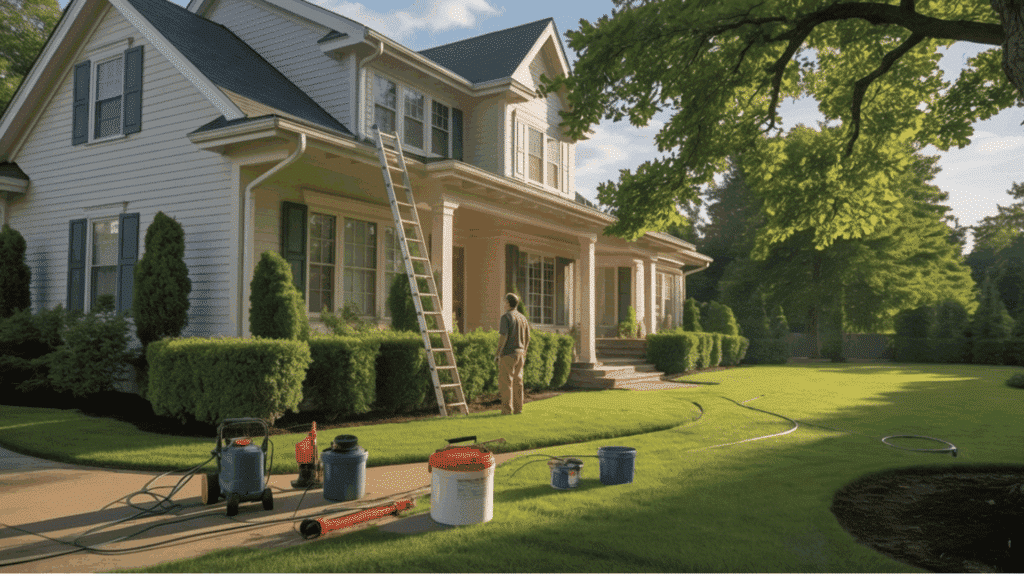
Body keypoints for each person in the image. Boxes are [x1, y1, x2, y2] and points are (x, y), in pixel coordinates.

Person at [495, 293, 530, 415]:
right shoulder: (523, 318)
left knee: (506, 382)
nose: (503, 303)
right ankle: (518, 409)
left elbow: (503, 336)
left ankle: (506, 410)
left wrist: (498, 352)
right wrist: (524, 351)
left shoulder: (506, 317)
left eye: (505, 301)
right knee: (518, 382)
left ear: (508, 303)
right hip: (520, 354)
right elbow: (528, 337)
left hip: (508, 354)